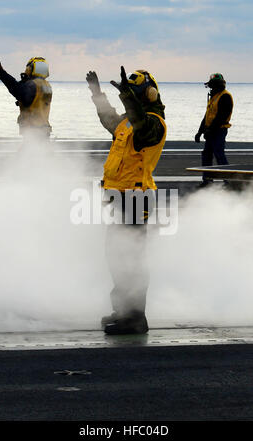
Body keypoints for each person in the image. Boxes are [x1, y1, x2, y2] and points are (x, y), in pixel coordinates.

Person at [86, 66, 167, 335]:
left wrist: (127, 98)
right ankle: (123, 311)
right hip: (121, 198)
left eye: (134, 92)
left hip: (136, 197)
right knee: (116, 256)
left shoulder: (154, 123)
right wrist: (97, 93)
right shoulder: (126, 122)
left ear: (149, 94)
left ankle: (135, 318)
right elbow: (109, 118)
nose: (129, 96)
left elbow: (142, 125)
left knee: (130, 259)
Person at [0, 57, 52, 140]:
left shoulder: (33, 85)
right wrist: (25, 81)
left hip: (33, 129)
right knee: (39, 150)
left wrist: (1, 72)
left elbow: (16, 90)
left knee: (28, 151)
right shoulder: (45, 85)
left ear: (30, 69)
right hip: (43, 128)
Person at [195, 73, 233, 187]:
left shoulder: (225, 96)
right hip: (211, 131)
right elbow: (207, 116)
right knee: (207, 154)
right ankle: (207, 180)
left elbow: (221, 117)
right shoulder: (214, 97)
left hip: (219, 131)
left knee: (219, 154)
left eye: (214, 85)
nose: (212, 88)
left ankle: (228, 181)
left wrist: (209, 130)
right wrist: (200, 131)